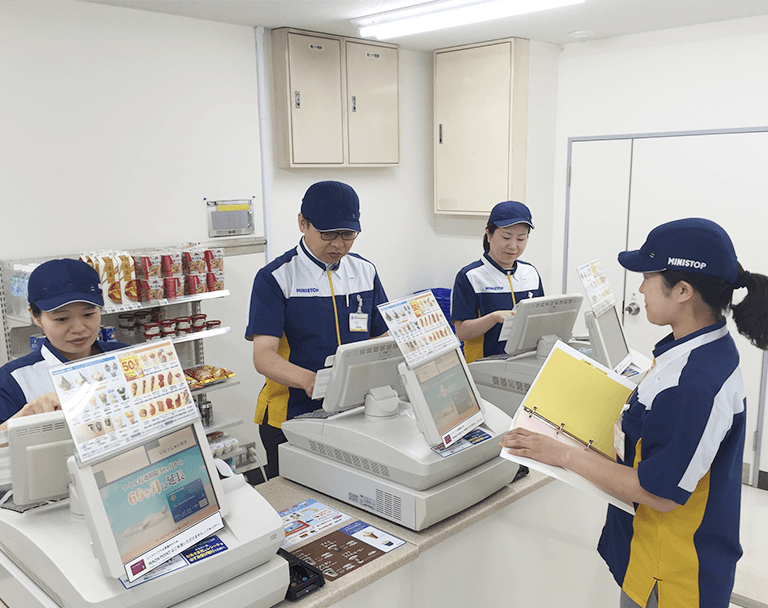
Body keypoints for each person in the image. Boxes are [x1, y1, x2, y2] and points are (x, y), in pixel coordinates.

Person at [500, 218, 768, 608]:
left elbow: (658, 494)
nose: (640, 288)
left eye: (648, 276)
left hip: (672, 573)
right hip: (658, 553)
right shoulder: (699, 349)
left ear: (682, 290)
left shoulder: (694, 384)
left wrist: (562, 454)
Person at [246, 181, 389, 479]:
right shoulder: (276, 278)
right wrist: (311, 382)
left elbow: (381, 335)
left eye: (348, 234)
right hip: (291, 415)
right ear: (303, 223)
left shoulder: (365, 271)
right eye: (328, 234)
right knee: (298, 507)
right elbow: (264, 356)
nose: (339, 244)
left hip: (353, 412)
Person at [0, 258, 129, 430]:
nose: (79, 328)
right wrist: (22, 417)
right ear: (35, 317)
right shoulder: (14, 379)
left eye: (88, 314)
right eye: (62, 319)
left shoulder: (126, 356)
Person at [451, 200, 544, 363]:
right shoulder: (471, 276)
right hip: (484, 367)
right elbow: (462, 332)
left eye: (521, 239)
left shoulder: (531, 273)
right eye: (506, 237)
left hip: (526, 363)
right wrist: (493, 317)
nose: (513, 246)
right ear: (489, 234)